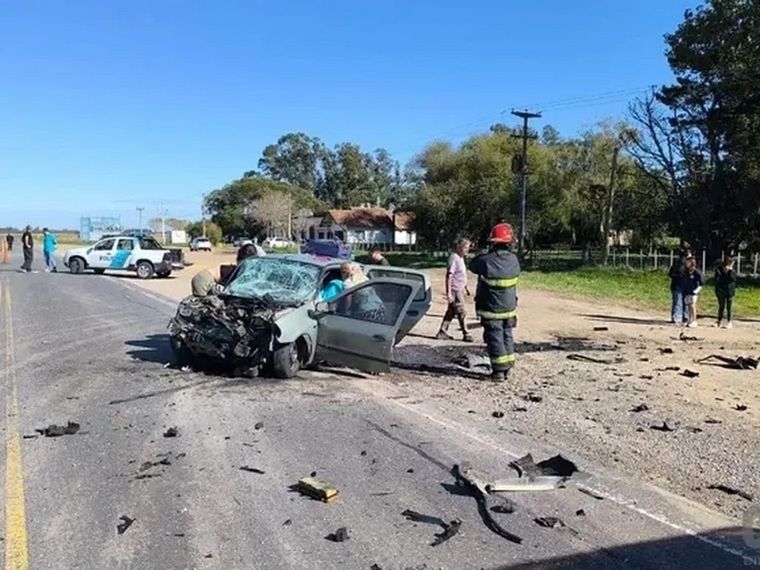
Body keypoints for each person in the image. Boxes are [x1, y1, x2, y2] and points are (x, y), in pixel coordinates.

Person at [470, 223, 521, 382]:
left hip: (492, 308)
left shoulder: (486, 261)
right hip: (510, 308)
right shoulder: (514, 260)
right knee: (507, 335)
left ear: (493, 242)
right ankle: (508, 366)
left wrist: (482, 252)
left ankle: (498, 371)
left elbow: (472, 265)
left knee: (494, 337)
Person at [437, 238, 474, 342]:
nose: (467, 250)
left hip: (460, 289)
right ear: (459, 247)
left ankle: (442, 332)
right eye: (465, 247)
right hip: (455, 290)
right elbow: (449, 276)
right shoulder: (454, 258)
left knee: (451, 312)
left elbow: (461, 274)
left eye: (468, 248)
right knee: (461, 311)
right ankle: (466, 333)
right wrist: (449, 293)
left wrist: (466, 287)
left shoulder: (461, 258)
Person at [668, 248, 691, 324]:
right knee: (677, 302)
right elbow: (671, 274)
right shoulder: (677, 264)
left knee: (685, 302)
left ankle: (685, 317)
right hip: (677, 285)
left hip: (686, 286)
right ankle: (676, 317)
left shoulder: (689, 264)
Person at [714, 257, 737, 329]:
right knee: (721, 307)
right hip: (721, 291)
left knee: (729, 307)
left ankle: (729, 322)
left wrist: (729, 271)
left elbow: (733, 279)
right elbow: (717, 280)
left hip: (729, 291)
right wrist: (724, 274)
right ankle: (719, 321)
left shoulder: (732, 271)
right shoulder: (718, 270)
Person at [681, 258, 703, 328]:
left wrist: (696, 290)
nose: (686, 264)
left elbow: (701, 282)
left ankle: (694, 320)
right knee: (689, 306)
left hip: (694, 292)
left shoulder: (697, 272)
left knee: (693, 305)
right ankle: (690, 319)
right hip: (687, 291)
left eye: (688, 263)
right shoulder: (686, 272)